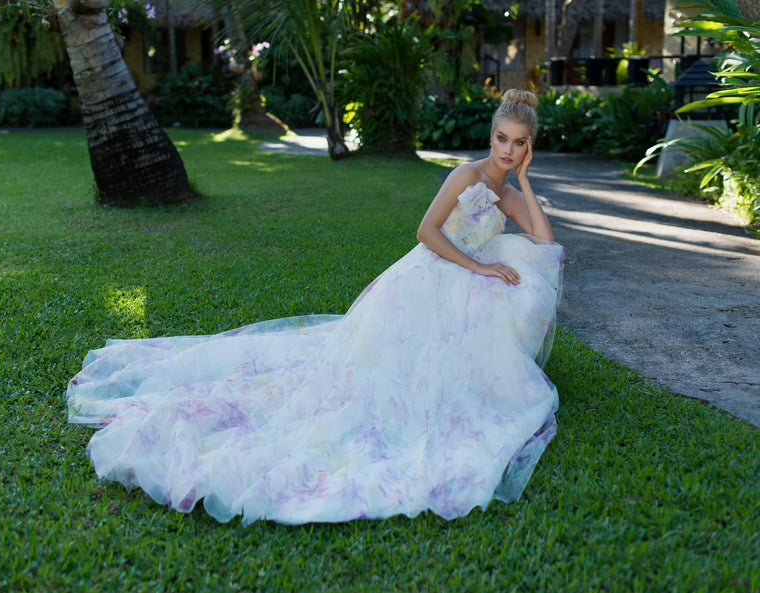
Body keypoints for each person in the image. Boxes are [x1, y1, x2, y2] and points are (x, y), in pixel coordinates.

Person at [66, 89, 564, 526]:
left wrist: (525, 180)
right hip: (429, 276)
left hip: (463, 288)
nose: (507, 149)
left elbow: (545, 243)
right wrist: (477, 269)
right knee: (371, 378)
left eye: (519, 143)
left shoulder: (507, 190)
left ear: (528, 147)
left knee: (514, 281)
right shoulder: (466, 175)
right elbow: (426, 232)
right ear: (492, 134)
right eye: (503, 139)